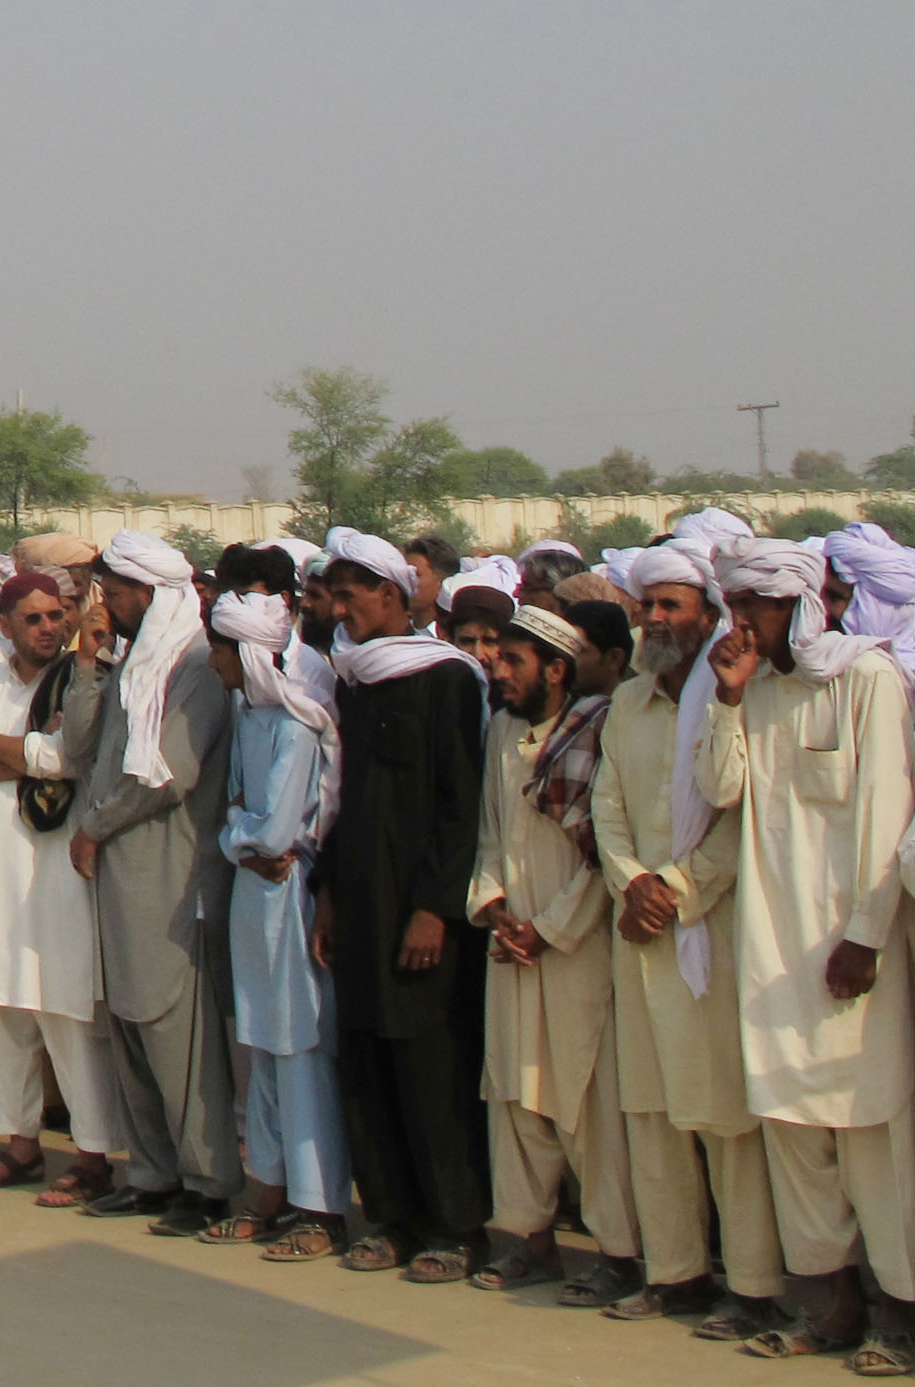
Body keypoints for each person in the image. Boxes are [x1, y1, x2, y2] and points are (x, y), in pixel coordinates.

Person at [696, 535, 915, 1370]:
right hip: (771, 952)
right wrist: (724, 697)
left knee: (873, 1137)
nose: (743, 620)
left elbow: (889, 820)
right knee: (793, 1131)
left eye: (758, 605)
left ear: (803, 601)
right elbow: (721, 790)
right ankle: (830, 1307)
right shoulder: (752, 690)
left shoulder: (866, 678)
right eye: (737, 604)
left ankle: (899, 1314)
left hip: (854, 952)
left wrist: (864, 936)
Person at [589, 545, 782, 1334]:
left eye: (673, 606)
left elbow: (738, 817)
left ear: (706, 613)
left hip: (709, 931)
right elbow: (607, 807)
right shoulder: (630, 702)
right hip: (638, 929)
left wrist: (675, 888)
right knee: (653, 1112)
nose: (658, 619)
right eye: (649, 606)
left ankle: (756, 1287)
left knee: (725, 1118)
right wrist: (631, 880)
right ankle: (675, 1275)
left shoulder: (733, 697)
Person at [317, 527, 493, 1284]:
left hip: (419, 908)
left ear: (393, 595)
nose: (342, 611)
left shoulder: (447, 677)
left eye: (353, 597)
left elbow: (462, 804)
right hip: (358, 898)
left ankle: (453, 1225)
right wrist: (327, 894)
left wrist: (434, 907)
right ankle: (392, 1215)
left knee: (432, 1064)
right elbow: (340, 796)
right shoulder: (351, 677)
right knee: (367, 1057)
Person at [469, 603, 642, 1305]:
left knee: (584, 1104)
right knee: (513, 1091)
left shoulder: (596, 733)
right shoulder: (503, 731)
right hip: (511, 942)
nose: (498, 670)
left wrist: (550, 927)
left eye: (513, 660)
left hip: (573, 948)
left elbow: (604, 858)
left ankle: (619, 1252)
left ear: (557, 670)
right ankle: (527, 1237)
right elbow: (489, 834)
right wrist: (495, 907)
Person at [69, 530, 240, 1233]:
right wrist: (87, 662)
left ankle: (205, 1180)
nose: (106, 603)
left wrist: (95, 826)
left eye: (116, 592)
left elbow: (168, 774)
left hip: (168, 874)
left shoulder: (192, 666)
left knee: (178, 1031)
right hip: (119, 873)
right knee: (131, 1026)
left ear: (152, 594)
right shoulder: (133, 663)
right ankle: (150, 1171)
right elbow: (82, 742)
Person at [0, 578, 122, 1203]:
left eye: (56, 615)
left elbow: (69, 758)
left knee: (65, 1010)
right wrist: (25, 752)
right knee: (1, 1010)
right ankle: (17, 1148)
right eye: (33, 618)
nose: (48, 627)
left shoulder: (84, 679)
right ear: (8, 626)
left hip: (55, 870)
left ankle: (94, 1157)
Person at [210, 557, 349, 1260]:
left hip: (290, 896)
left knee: (299, 1050)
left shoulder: (296, 722)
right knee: (261, 1046)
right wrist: (242, 840)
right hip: (252, 893)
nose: (213, 660)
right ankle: (266, 1186)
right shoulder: (250, 714)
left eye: (221, 647)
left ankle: (317, 1204)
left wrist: (242, 838)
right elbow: (238, 819)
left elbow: (273, 830)